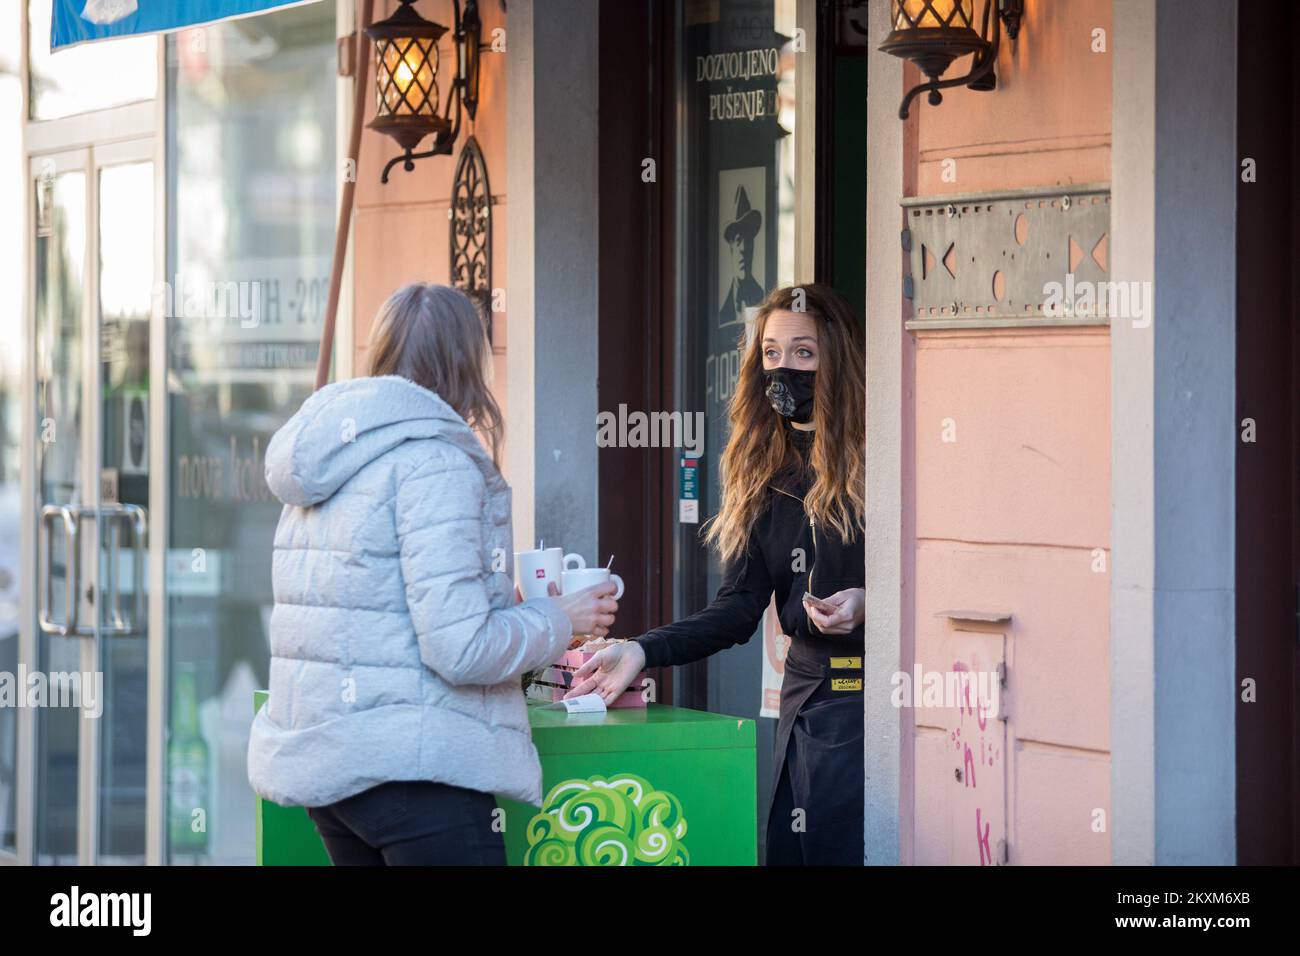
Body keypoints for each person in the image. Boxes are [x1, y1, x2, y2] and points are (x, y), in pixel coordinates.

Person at [246, 282, 619, 865]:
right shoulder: (435, 461)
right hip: (417, 772)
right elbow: (460, 647)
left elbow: (371, 609)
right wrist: (556, 617)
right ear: (465, 362)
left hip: (334, 769)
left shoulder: (330, 456)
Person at [567, 283, 866, 865]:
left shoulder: (880, 457)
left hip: (869, 697)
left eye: (804, 353)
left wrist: (871, 604)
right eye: (772, 353)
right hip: (804, 698)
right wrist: (639, 651)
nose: (785, 368)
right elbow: (735, 611)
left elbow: (934, 579)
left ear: (837, 359)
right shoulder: (762, 466)